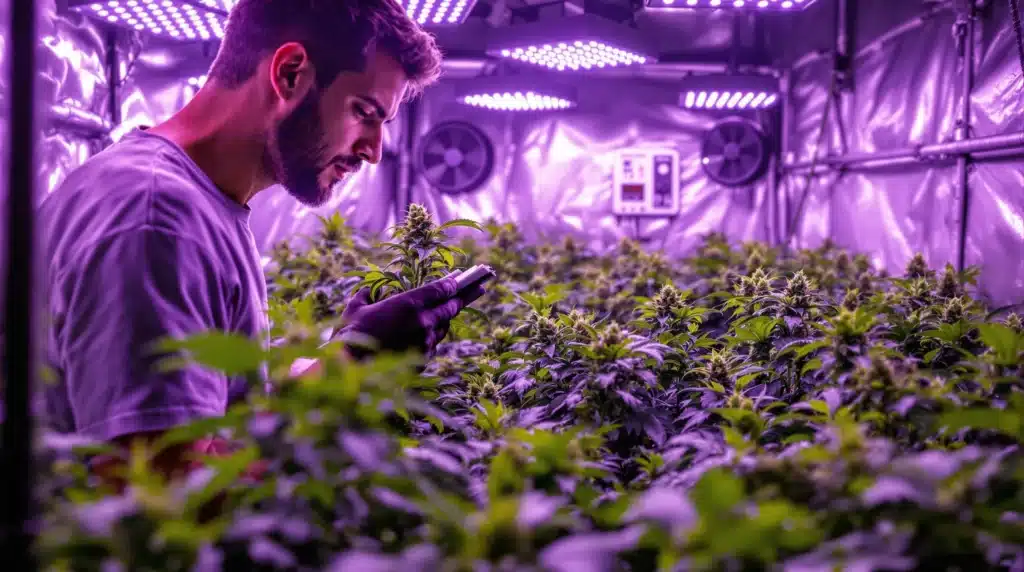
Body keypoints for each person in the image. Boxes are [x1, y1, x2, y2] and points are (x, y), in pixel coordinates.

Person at [37, 0, 484, 485]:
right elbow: (158, 505)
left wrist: (345, 356)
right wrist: (350, 373)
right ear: (291, 73)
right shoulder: (156, 218)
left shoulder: (194, 202)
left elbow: (218, 427)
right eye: (364, 112)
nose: (374, 151)